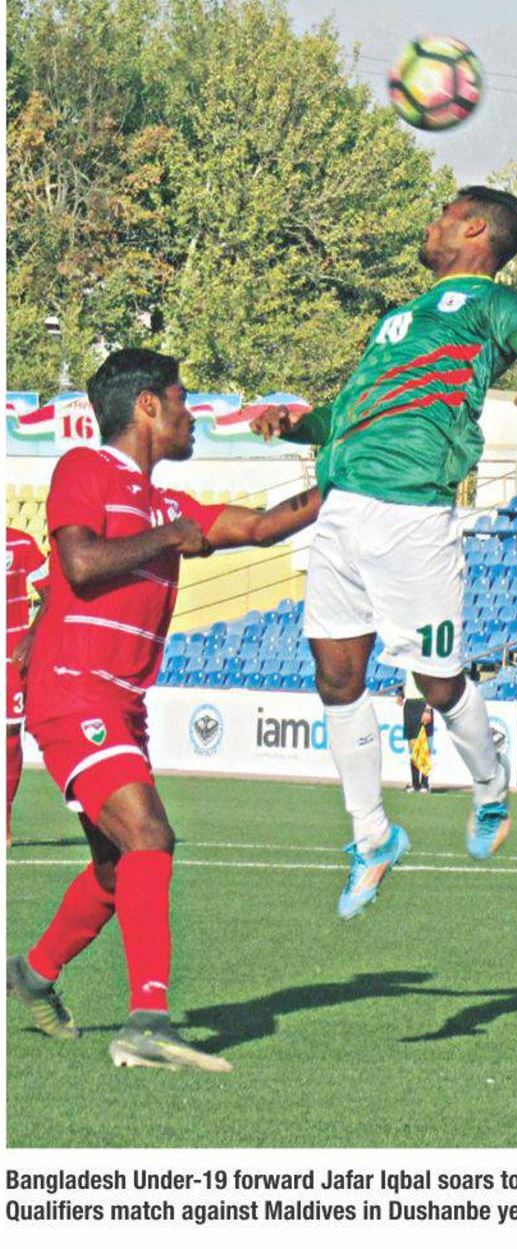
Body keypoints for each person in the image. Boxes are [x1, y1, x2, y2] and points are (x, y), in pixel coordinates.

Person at [251, 186, 517, 916]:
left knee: (436, 681)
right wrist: (297, 426)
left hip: (414, 514)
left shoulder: (495, 305)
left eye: (442, 216)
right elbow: (348, 413)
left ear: (475, 228)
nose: (430, 225)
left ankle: (490, 786)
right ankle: (372, 835)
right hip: (342, 505)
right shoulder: (396, 320)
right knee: (336, 677)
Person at [6, 348, 321, 1071]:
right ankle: (147, 1020)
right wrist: (169, 538)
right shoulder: (84, 468)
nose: (192, 414)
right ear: (147, 405)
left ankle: (33, 972)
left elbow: (262, 527)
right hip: (73, 688)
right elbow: (80, 563)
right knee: (149, 833)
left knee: (116, 870)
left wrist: (351, 478)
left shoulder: (168, 504)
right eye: (182, 400)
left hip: (122, 702)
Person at [6, 524, 48, 845]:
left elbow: (52, 594)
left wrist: (32, 636)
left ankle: (3, 818)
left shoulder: (20, 543)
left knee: (8, 737)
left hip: (10, 657)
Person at [400, 672, 433, 792]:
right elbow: (406, 682)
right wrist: (401, 694)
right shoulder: (408, 664)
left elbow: (432, 687)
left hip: (422, 703)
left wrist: (428, 709)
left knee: (424, 745)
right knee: (413, 747)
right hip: (410, 705)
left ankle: (425, 783)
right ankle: (415, 783)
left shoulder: (425, 665)